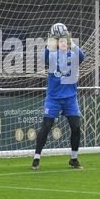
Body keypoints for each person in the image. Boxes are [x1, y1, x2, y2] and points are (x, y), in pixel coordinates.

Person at [31, 23, 85, 170]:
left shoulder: (73, 57)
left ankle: (74, 159)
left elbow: (82, 56)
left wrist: (69, 38)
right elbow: (44, 58)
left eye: (65, 42)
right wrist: (51, 39)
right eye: (60, 42)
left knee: (76, 127)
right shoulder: (53, 57)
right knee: (46, 126)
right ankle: (36, 158)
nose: (63, 44)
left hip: (70, 99)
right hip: (53, 99)